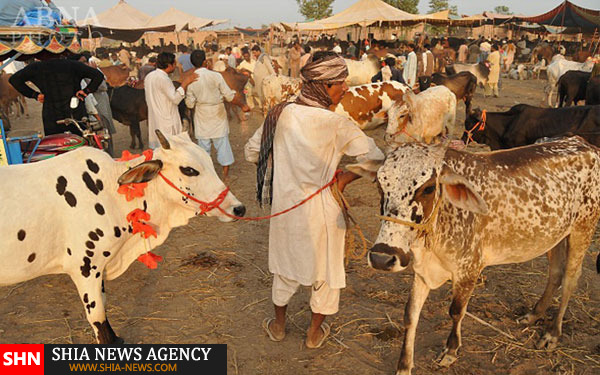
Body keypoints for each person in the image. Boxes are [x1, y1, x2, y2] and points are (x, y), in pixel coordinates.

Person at [245, 51, 384, 349]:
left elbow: (252, 152)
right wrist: (345, 178)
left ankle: (278, 326)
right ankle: (313, 334)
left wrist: (282, 163)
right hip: (324, 211)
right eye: (339, 84)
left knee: (284, 269)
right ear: (322, 86)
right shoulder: (337, 123)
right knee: (326, 273)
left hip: (285, 210)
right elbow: (375, 157)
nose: (345, 89)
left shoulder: (280, 114)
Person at [185, 50, 249, 179]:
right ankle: (225, 176)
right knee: (223, 145)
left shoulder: (190, 80)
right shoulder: (216, 76)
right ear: (205, 62)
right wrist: (243, 105)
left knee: (203, 147)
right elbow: (229, 96)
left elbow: (190, 104)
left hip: (201, 115)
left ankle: (208, 176)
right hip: (217, 113)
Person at [9, 56, 104, 136]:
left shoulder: (36, 67)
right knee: (81, 142)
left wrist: (34, 95)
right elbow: (98, 75)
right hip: (75, 111)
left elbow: (14, 79)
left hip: (51, 114)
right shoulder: (73, 65)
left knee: (55, 146)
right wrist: (86, 91)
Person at [144, 52, 198, 149]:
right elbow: (175, 99)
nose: (176, 66)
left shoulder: (149, 76)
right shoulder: (164, 79)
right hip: (166, 120)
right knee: (171, 149)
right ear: (169, 65)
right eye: (174, 64)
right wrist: (184, 84)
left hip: (156, 118)